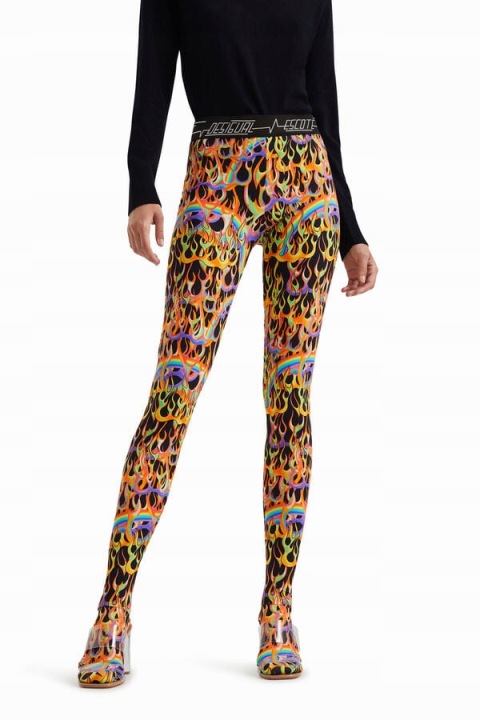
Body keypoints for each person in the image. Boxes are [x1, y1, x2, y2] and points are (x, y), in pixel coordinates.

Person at [77, 0, 378, 687]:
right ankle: (111, 611)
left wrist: (353, 230)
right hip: (216, 182)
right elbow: (152, 77)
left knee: (290, 401)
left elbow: (326, 101)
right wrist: (141, 183)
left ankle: (278, 609)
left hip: (308, 190)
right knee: (172, 395)